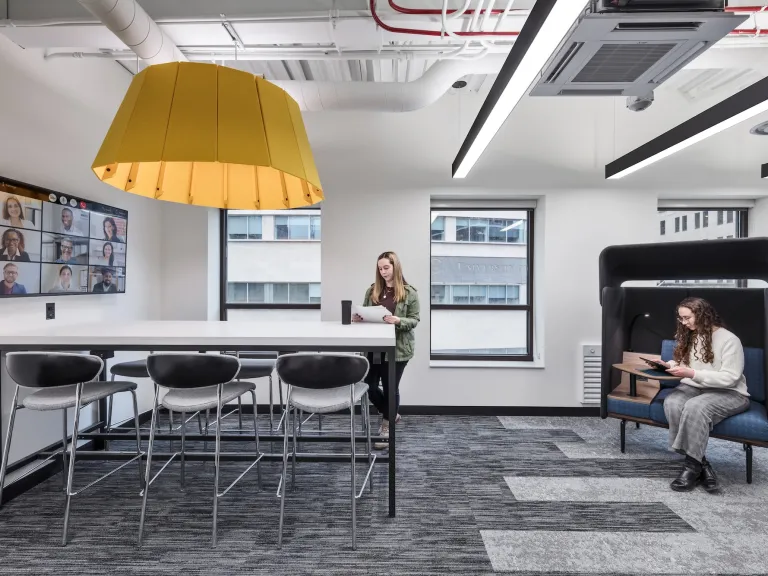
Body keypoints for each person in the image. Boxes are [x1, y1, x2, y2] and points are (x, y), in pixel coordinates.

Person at [655, 297, 750, 492]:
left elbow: (730, 378)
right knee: (673, 402)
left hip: (730, 392)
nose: (684, 323)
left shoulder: (729, 339)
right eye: (681, 319)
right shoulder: (690, 335)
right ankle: (701, 463)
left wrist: (692, 374)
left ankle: (691, 468)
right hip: (696, 386)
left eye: (687, 318)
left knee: (696, 407)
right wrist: (670, 366)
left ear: (702, 314)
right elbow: (686, 366)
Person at [353, 251, 420, 449]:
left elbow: (415, 319)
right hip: (374, 348)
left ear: (395, 267)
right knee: (370, 386)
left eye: (386, 268)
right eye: (380, 268)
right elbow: (365, 313)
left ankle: (386, 425)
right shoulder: (372, 291)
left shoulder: (409, 293)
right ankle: (392, 414)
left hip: (397, 349)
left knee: (391, 388)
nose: (383, 272)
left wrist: (399, 320)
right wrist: (359, 318)